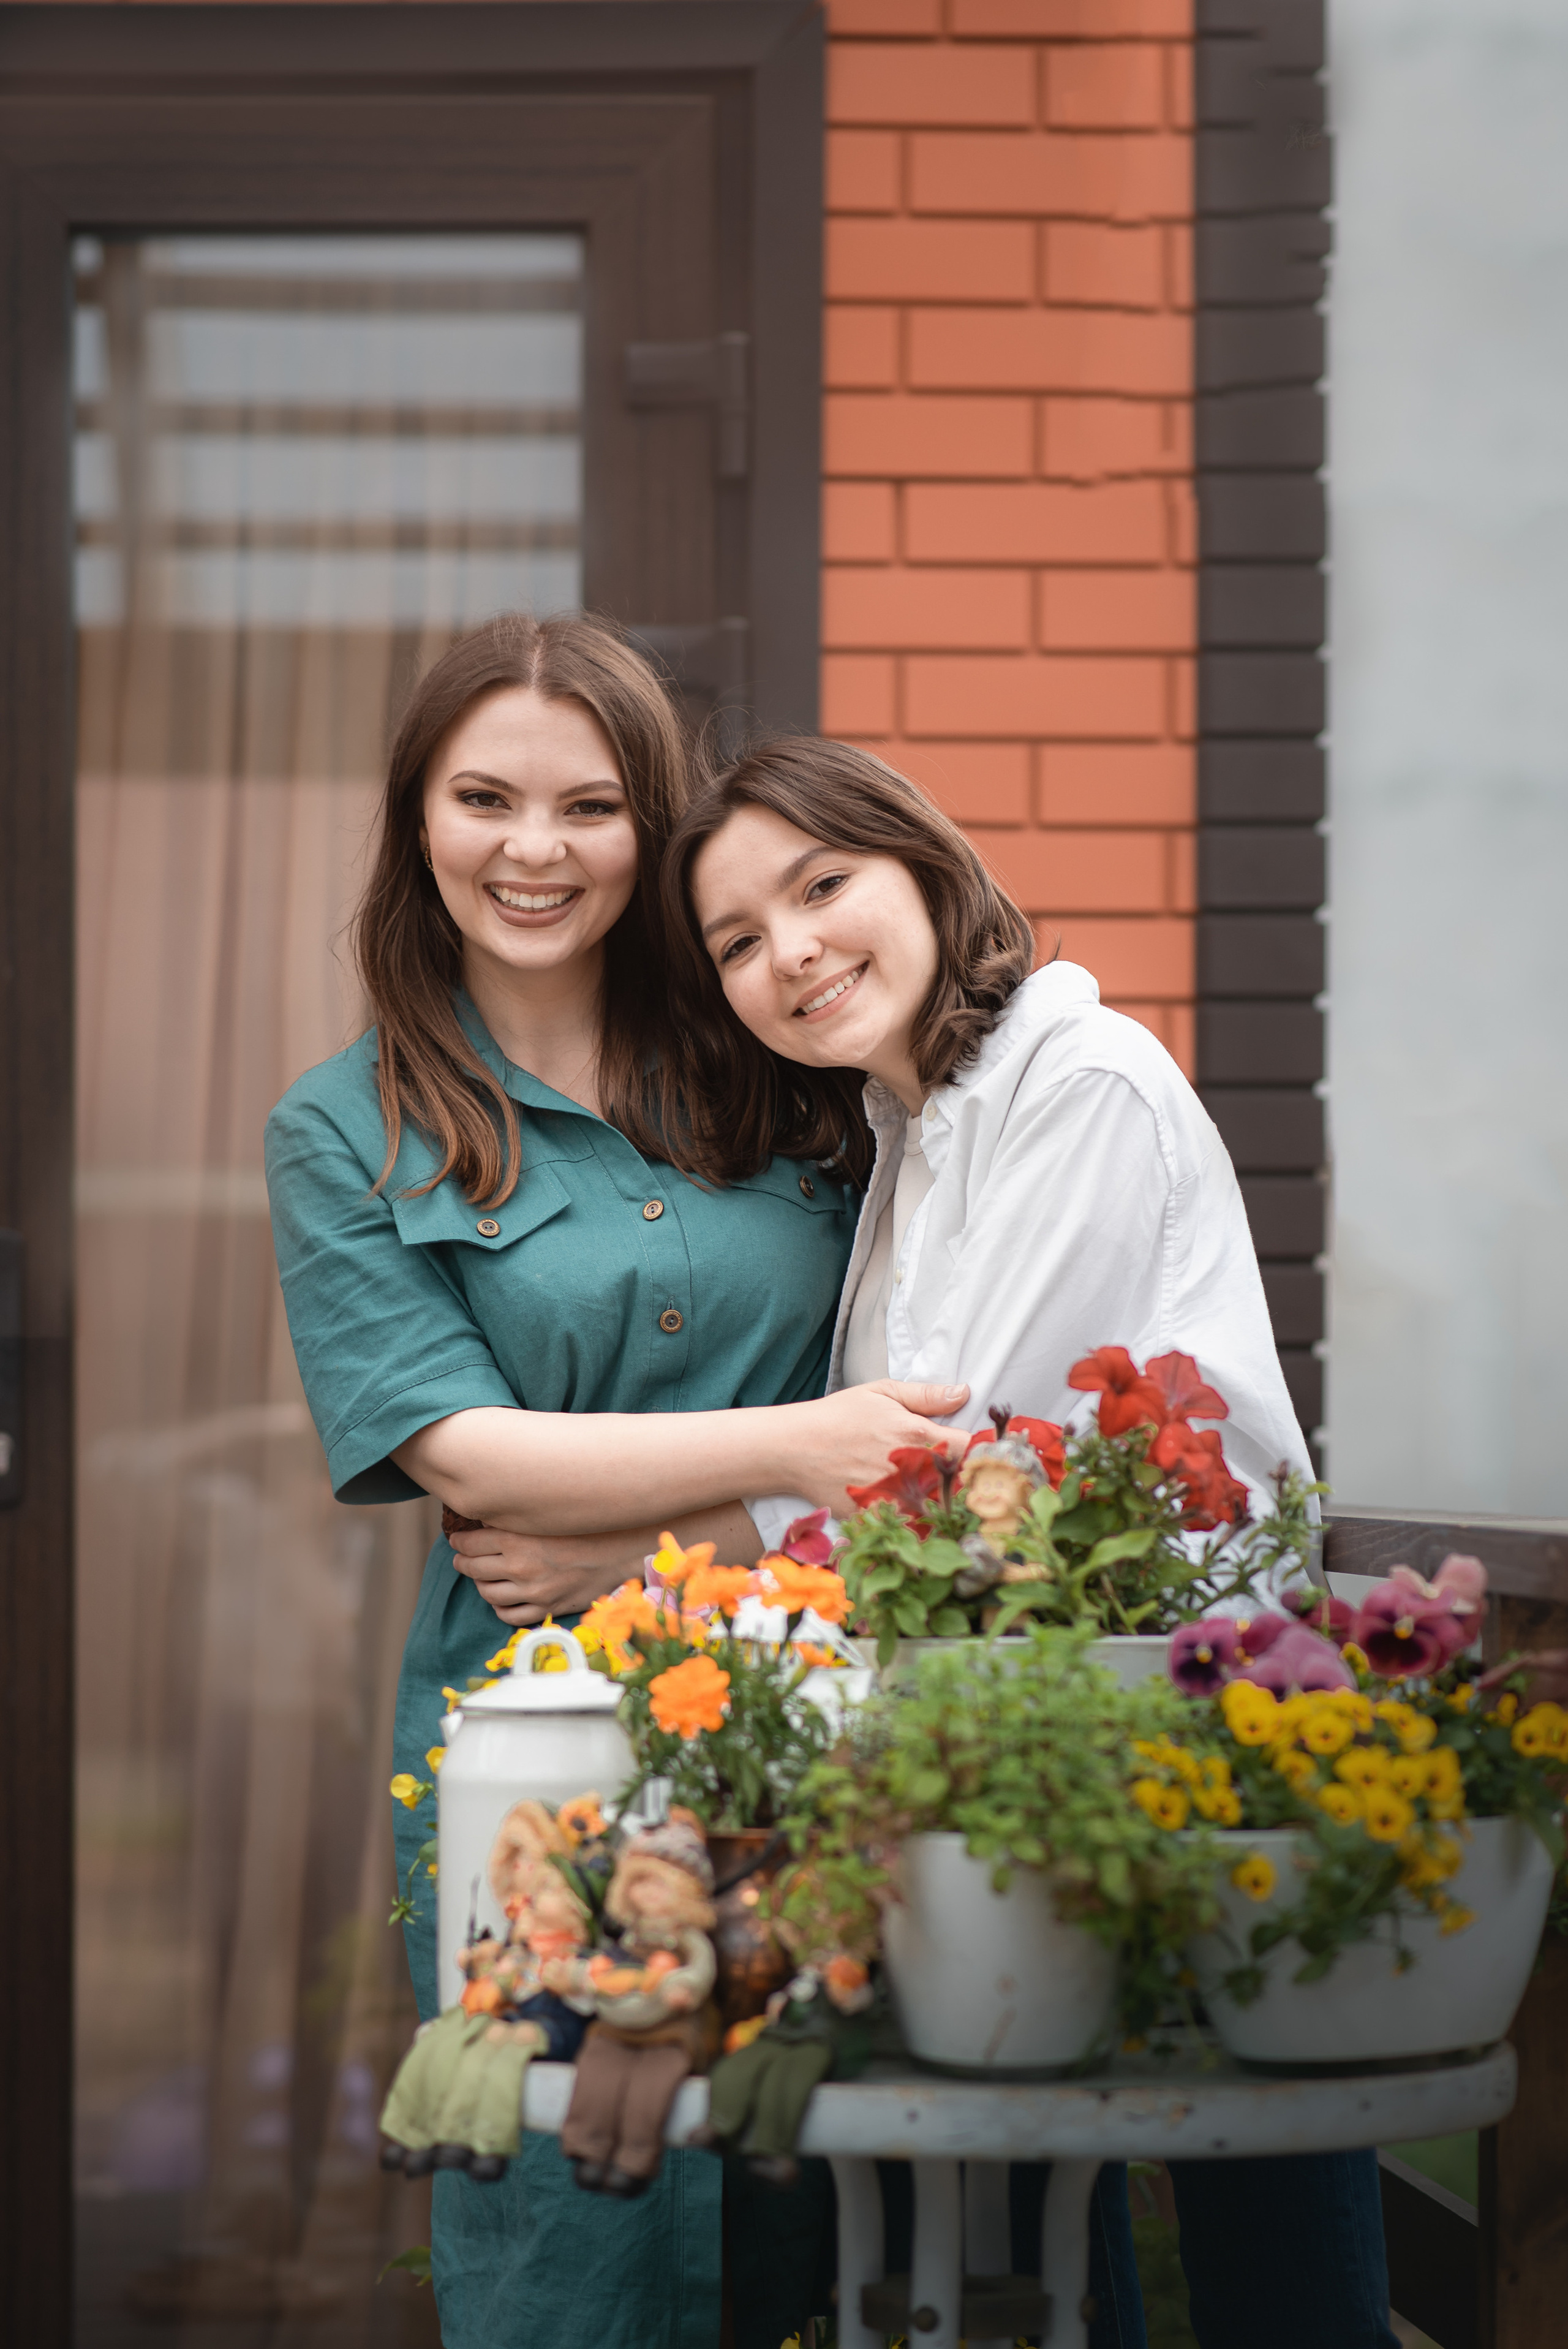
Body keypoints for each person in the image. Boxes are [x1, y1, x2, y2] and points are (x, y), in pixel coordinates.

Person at [263, 620, 966, 2349]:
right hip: (531, 1747)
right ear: (416, 820)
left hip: (825, 1712)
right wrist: (810, 1441)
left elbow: (938, 1345)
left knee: (833, 2206)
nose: (533, 847)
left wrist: (679, 1527)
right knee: (573, 2231)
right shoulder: (347, 1126)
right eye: (484, 796)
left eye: (588, 806)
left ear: (649, 830)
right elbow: (467, 1454)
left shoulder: (774, 1058)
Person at [656, 736, 1400, 2349]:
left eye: (820, 885)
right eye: (734, 940)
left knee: (1273, 2252)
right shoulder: (913, 1136)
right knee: (1045, 2203)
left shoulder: (1084, 1084)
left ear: (921, 866)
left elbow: (953, 1454)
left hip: (1209, 1720)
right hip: (1048, 1734)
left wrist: (651, 1531)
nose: (788, 950)